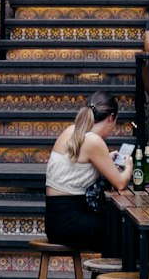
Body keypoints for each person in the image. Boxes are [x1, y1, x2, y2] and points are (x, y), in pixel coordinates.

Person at [44, 90, 133, 252]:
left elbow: (77, 165)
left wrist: (106, 159)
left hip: (56, 220)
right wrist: (128, 167)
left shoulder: (72, 131)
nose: (113, 128)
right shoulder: (94, 141)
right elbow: (120, 184)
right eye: (115, 123)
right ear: (111, 118)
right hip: (71, 222)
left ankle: (111, 274)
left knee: (118, 226)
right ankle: (141, 272)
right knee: (127, 229)